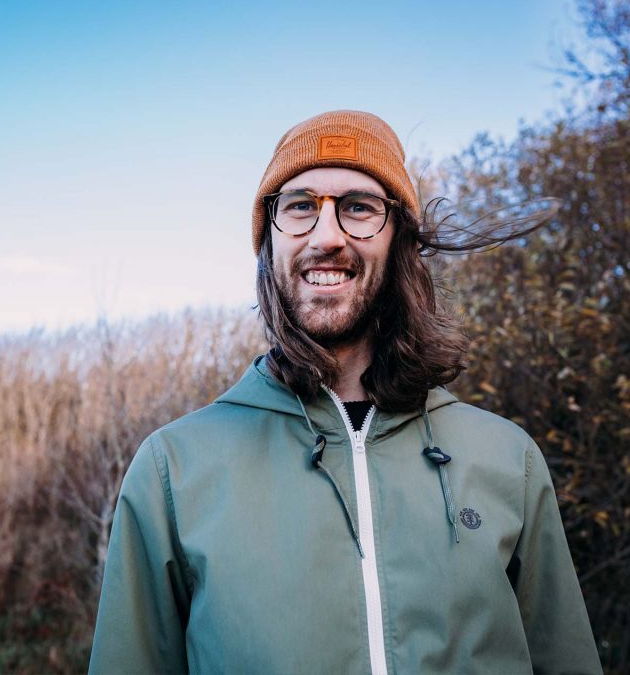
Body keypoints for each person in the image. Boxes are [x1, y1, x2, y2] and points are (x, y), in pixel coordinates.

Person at [88, 110, 602, 674]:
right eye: (300, 206)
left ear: (399, 238)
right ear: (269, 243)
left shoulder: (508, 458)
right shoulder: (174, 469)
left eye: (359, 207)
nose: (327, 236)